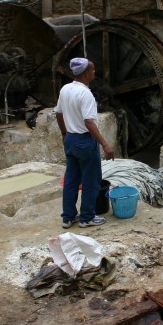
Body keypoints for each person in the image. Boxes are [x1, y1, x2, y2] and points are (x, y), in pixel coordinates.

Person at [55, 57, 115, 228]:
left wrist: (64, 133)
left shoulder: (65, 89)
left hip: (70, 140)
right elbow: (89, 122)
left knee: (71, 180)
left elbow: (58, 113)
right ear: (86, 73)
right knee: (91, 180)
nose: (94, 72)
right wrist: (105, 144)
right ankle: (87, 217)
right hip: (84, 141)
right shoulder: (85, 94)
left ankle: (68, 218)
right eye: (93, 70)